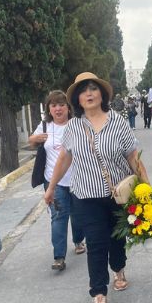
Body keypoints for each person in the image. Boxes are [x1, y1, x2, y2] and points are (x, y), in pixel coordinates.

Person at [44, 72, 148, 303]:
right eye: (83, 91)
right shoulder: (72, 127)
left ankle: (119, 269)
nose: (88, 94)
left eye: (93, 89)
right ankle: (99, 294)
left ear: (102, 94)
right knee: (96, 243)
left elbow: (133, 156)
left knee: (117, 238)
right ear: (78, 100)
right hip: (86, 196)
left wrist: (146, 189)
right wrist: (51, 187)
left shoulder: (118, 122)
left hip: (118, 195)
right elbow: (64, 158)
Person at [28, 90, 86, 272]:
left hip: (77, 179)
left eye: (61, 105)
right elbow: (32, 141)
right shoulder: (45, 126)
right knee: (58, 217)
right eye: (54, 106)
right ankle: (59, 256)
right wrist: (34, 139)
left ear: (68, 108)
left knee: (77, 215)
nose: (58, 109)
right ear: (49, 109)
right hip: (53, 181)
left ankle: (78, 240)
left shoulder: (77, 125)